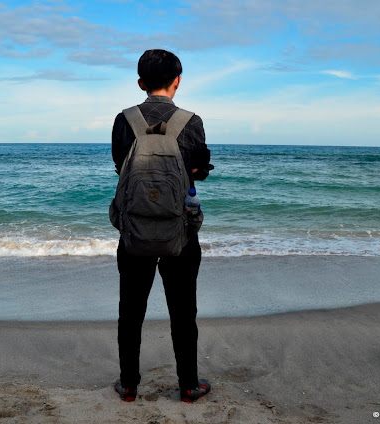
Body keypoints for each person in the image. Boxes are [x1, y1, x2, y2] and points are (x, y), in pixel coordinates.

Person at [111, 49, 212, 402]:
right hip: (180, 233)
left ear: (141, 83)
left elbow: (119, 168)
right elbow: (198, 170)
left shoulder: (124, 120)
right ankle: (188, 386)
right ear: (177, 81)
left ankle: (129, 386)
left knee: (131, 310)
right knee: (183, 311)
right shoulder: (192, 121)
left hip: (135, 232)